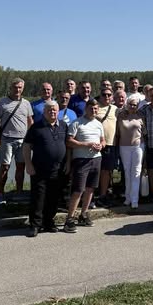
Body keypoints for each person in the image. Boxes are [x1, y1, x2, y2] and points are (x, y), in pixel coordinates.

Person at [22, 101, 68, 237]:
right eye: (49, 110)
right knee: (38, 198)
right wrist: (28, 164)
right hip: (39, 169)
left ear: (58, 111)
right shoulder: (36, 127)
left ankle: (48, 222)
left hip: (58, 169)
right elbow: (26, 146)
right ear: (44, 112)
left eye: (54, 110)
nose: (52, 112)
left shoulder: (64, 125)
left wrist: (68, 163)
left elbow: (68, 145)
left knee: (53, 197)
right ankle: (35, 225)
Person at [63, 99, 105, 233]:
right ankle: (69, 219)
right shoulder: (77, 122)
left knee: (90, 189)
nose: (93, 111)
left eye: (96, 108)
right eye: (91, 108)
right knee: (78, 190)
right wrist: (86, 145)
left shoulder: (99, 124)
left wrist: (101, 145)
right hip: (81, 160)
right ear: (86, 108)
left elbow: (103, 140)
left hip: (96, 159)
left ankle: (84, 214)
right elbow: (69, 141)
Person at [0, 77, 34, 205]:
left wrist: (32, 138)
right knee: (5, 167)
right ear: (10, 88)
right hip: (7, 139)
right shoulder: (3, 102)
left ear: (23, 88)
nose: (17, 89)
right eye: (15, 87)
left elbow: (30, 122)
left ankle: (19, 192)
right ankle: (0, 193)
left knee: (21, 167)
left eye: (20, 87)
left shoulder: (26, 103)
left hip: (23, 140)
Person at [116, 98, 145, 209]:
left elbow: (144, 132)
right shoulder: (121, 116)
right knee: (127, 172)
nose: (133, 107)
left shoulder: (140, 116)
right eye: (131, 104)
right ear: (127, 105)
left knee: (136, 172)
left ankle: (134, 199)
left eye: (135, 105)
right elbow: (117, 132)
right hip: (124, 147)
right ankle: (127, 198)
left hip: (138, 146)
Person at [95, 87, 118, 207]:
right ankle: (92, 195)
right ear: (100, 96)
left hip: (110, 144)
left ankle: (103, 195)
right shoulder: (95, 108)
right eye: (104, 94)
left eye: (109, 95)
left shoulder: (116, 109)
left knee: (106, 171)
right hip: (96, 144)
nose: (107, 97)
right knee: (95, 170)